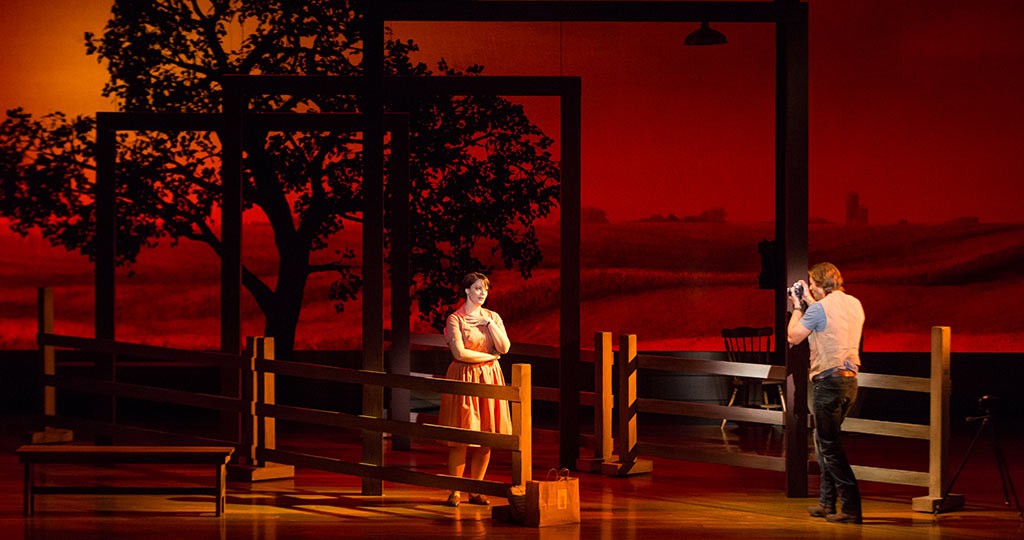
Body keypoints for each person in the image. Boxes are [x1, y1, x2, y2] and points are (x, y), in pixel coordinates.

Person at [787, 262, 865, 524]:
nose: (809, 288)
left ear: (821, 285)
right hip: (849, 383)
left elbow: (793, 336)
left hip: (828, 383)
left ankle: (852, 507)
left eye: (811, 284)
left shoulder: (819, 309)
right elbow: (831, 324)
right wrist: (812, 301)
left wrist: (798, 306)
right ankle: (826, 502)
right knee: (823, 441)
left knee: (830, 447)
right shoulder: (855, 304)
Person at [438, 272, 512, 507]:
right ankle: (455, 490)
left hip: (489, 377)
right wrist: (490, 357)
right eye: (478, 288)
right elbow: (460, 353)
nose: (482, 293)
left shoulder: (493, 317)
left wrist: (490, 325)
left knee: (485, 436)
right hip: (465, 376)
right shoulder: (455, 319)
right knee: (462, 435)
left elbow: (505, 347)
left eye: (486, 289)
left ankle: (476, 489)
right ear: (467, 291)